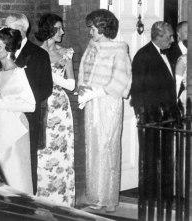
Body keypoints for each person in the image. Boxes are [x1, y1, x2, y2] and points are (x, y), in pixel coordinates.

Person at [77, 9, 132, 212]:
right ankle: (95, 196)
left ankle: (107, 198)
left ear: (102, 28)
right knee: (93, 148)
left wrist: (97, 92)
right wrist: (83, 90)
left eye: (92, 28)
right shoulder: (92, 47)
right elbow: (85, 73)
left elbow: (121, 81)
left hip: (108, 104)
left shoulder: (119, 49)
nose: (90, 32)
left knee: (106, 148)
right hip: (92, 104)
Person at [0, 28, 35, 194]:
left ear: (9, 48)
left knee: (14, 172)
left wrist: (5, 104)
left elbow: (31, 105)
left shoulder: (19, 73)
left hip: (13, 131)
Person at [131, 21, 177, 207]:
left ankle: (165, 195)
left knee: (166, 155)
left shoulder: (169, 53)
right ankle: (150, 196)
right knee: (150, 157)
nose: (172, 40)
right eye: (169, 37)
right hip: (151, 117)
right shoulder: (143, 56)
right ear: (158, 36)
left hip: (166, 116)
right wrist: (142, 116)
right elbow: (138, 88)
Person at [5, 13, 53, 194]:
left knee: (26, 163)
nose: (5, 31)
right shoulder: (2, 51)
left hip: (27, 118)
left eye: (9, 28)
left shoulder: (39, 54)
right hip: (4, 118)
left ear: (21, 30)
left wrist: (22, 103)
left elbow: (46, 87)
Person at [34, 13, 75, 207]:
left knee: (62, 150)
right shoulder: (35, 53)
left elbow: (71, 85)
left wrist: (66, 66)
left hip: (60, 106)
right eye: (58, 28)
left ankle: (63, 201)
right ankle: (43, 199)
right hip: (43, 104)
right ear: (49, 29)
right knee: (44, 150)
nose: (62, 32)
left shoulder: (66, 52)